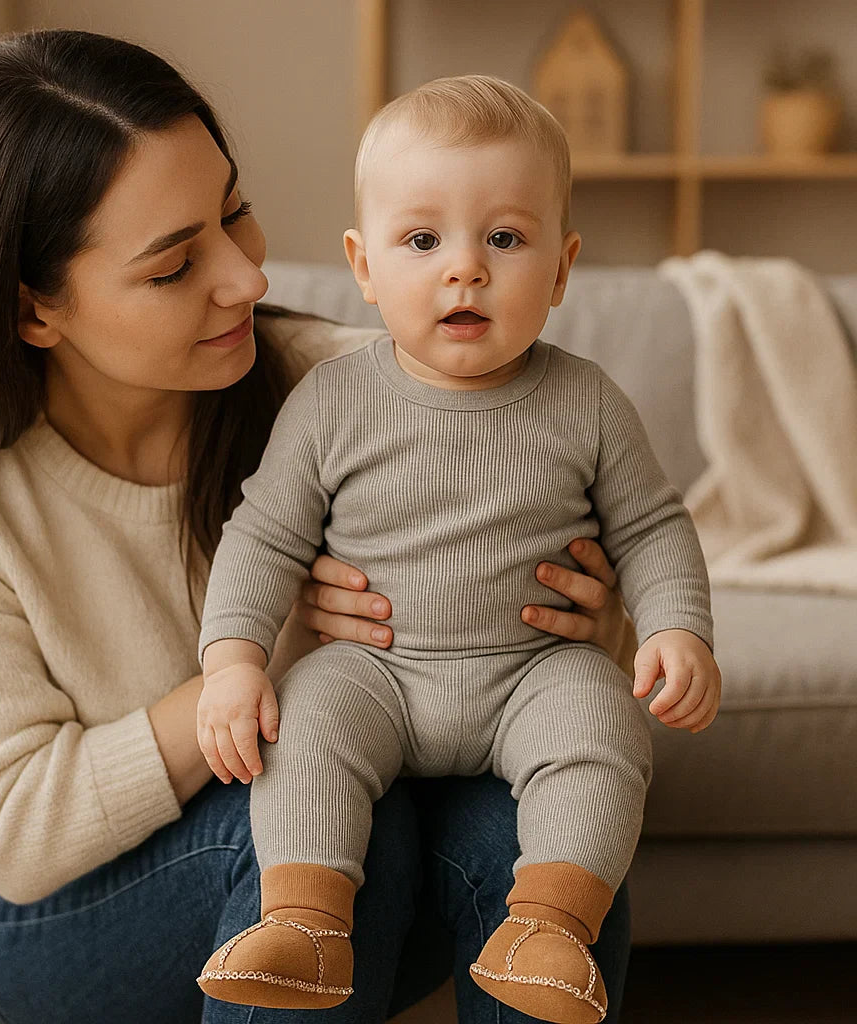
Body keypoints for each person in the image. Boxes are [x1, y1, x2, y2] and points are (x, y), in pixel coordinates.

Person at [0, 33, 636, 1024]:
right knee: (309, 820)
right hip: (50, 914)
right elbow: (19, 832)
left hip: (350, 847)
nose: (246, 279)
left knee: (540, 842)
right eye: (174, 267)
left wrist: (593, 634)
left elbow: (565, 675)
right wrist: (254, 656)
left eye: (234, 213)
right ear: (33, 308)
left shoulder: (349, 387)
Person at [196, 76, 722, 1022]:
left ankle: (550, 930)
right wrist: (233, 660)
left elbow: (653, 525)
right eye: (423, 240)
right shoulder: (331, 400)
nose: (465, 270)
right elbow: (264, 536)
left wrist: (677, 630)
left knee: (602, 726)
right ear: (363, 264)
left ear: (562, 270)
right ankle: (305, 925)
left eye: (505, 239)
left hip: (532, 672)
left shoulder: (587, 400)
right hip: (374, 674)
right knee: (301, 724)